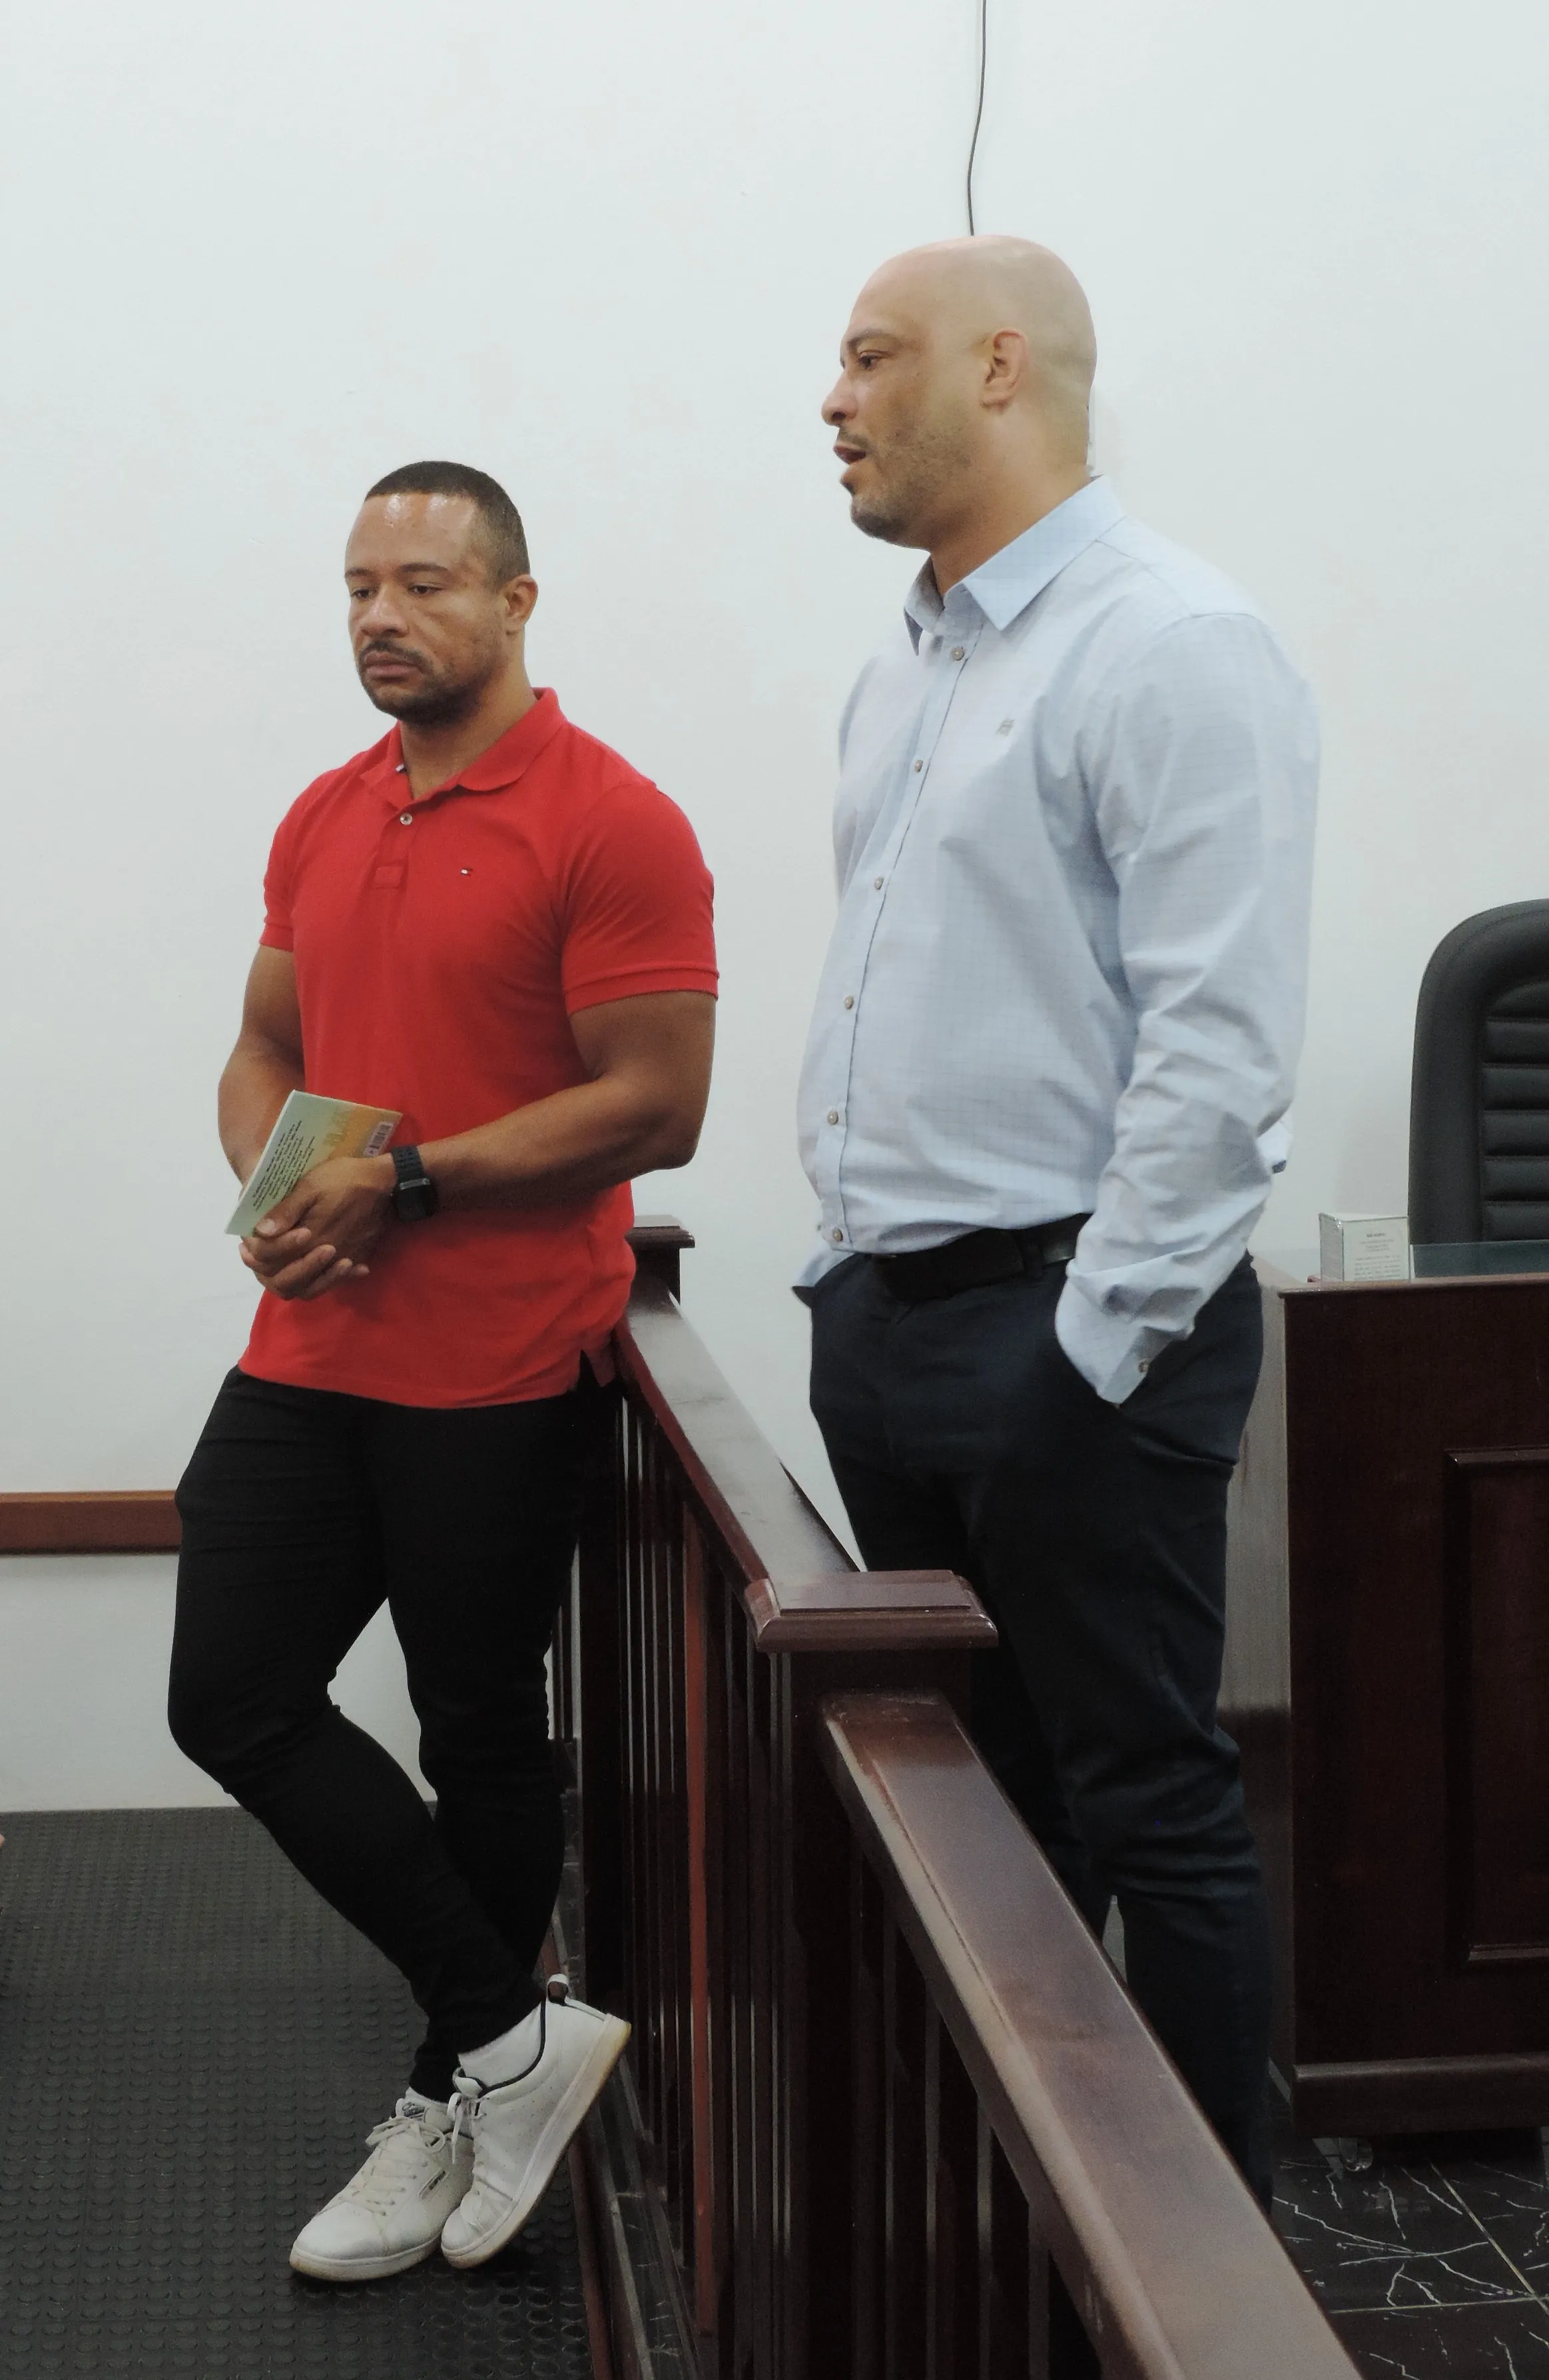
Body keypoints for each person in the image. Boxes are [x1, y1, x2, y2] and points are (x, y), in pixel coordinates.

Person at [797, 240, 1317, 2204]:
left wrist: (1083, 1353)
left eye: (871, 359)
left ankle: (1196, 2275)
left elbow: (1218, 1048)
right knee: (984, 1815)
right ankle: (1029, 2231)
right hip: (894, 1317)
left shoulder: (1169, 641)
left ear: (1000, 367)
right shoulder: (908, 667)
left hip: (1071, 1325)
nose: (832, 401)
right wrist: (848, 1283)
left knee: (1146, 1800)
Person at [168, 460, 717, 2279]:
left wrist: (406, 1179)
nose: (382, 616)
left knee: (477, 1729)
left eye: (422, 583)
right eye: (358, 587)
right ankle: (509, 2039)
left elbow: (657, 1104)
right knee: (231, 1694)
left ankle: (443, 2094)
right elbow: (263, 1040)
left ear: (515, 601)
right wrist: (274, 1185)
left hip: (498, 1362)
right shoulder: (327, 810)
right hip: (312, 1343)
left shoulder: (612, 819)